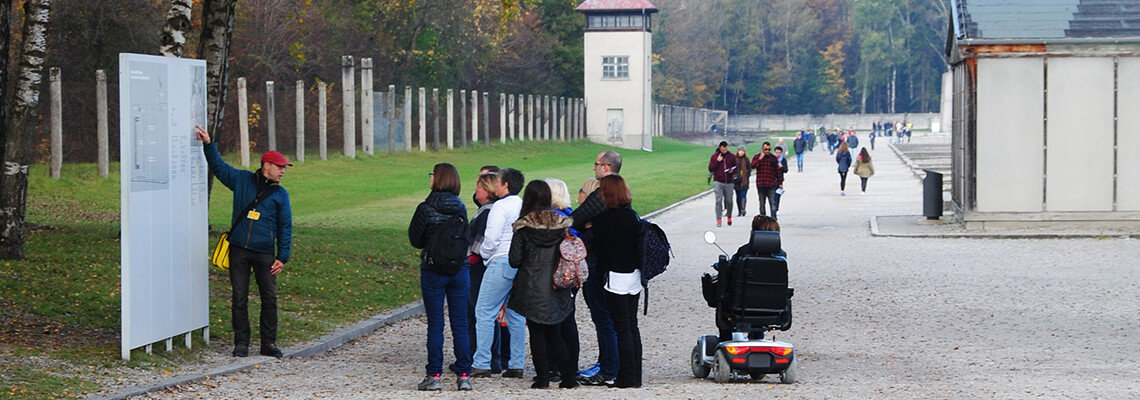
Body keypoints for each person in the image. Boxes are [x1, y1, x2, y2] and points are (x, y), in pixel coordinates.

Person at [195, 126, 292, 360]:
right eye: (280, 167)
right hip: (238, 250)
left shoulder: (281, 195)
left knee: (269, 298)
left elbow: (285, 227)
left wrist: (282, 256)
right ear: (266, 165)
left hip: (265, 253)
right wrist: (209, 144)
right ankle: (241, 343)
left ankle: (268, 343)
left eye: (283, 168)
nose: (283, 172)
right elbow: (218, 167)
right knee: (239, 297)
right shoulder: (241, 180)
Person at [408, 163, 473, 391]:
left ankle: (434, 375)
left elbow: (415, 239)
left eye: (432, 174)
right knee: (460, 324)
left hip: (433, 268)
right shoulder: (460, 207)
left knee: (435, 323)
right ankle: (464, 374)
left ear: (438, 179)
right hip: (459, 267)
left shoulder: (425, 208)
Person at [509, 180, 579, 389]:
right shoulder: (562, 224)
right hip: (557, 283)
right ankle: (569, 377)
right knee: (555, 333)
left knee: (537, 333)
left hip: (532, 285)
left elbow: (514, 259)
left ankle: (542, 378)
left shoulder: (523, 227)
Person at [571, 151, 622, 386]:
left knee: (602, 317)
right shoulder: (618, 192)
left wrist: (589, 222)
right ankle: (607, 363)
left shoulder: (602, 192)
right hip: (612, 263)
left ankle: (609, 367)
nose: (594, 168)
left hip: (597, 261)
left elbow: (576, 218)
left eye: (596, 164)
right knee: (607, 317)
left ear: (606, 167)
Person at [473, 168, 527, 379]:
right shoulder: (523, 204)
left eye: (498, 182)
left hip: (500, 260)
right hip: (519, 262)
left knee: (484, 311)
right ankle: (516, 363)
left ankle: (482, 362)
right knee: (516, 314)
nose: (495, 185)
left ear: (505, 185)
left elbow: (491, 238)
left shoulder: (500, 206)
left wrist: (486, 256)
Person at [590, 175, 643, 388]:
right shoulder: (632, 216)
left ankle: (625, 377)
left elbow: (600, 251)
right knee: (632, 325)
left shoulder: (604, 219)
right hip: (634, 274)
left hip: (616, 275)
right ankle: (635, 375)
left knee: (621, 327)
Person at [460, 170, 510, 376]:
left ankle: (488, 358)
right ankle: (484, 356)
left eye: (479, 187)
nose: (475, 190)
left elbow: (478, 244)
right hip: (478, 265)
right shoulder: (485, 210)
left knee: (482, 313)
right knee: (478, 313)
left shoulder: (488, 212)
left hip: (479, 266)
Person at [718, 215, 785, 342]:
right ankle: (757, 338)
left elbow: (730, 272)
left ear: (753, 233)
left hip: (741, 303)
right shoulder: (781, 255)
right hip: (772, 305)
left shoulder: (744, 252)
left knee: (723, 300)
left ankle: (725, 339)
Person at [544, 177, 581, 381]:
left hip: (555, 273)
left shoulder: (552, 218)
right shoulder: (570, 216)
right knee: (568, 320)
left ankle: (555, 365)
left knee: (554, 321)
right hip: (570, 274)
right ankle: (570, 365)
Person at [750, 142, 784, 220]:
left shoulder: (773, 158)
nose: (767, 151)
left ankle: (773, 218)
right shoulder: (757, 157)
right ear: (762, 149)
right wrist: (760, 159)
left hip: (770, 184)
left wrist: (780, 183)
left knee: (772, 202)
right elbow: (752, 166)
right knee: (762, 203)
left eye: (769, 149)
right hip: (761, 184)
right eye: (766, 149)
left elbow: (777, 171)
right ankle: (763, 219)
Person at [708, 141, 738, 227]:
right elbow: (711, 168)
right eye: (723, 147)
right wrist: (717, 161)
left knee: (729, 201)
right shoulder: (714, 157)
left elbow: (736, 167)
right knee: (718, 200)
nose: (724, 149)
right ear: (720, 147)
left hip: (729, 182)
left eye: (726, 147)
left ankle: (729, 216)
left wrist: (732, 171)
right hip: (718, 181)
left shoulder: (731, 156)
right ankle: (718, 219)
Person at [733, 145, 750, 217]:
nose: (741, 152)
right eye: (740, 151)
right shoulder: (734, 159)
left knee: (743, 195)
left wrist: (746, 176)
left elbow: (749, 169)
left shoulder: (746, 160)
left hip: (744, 181)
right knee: (738, 196)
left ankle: (743, 209)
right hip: (737, 181)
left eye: (742, 151)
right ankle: (739, 210)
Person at [772, 146, 789, 216]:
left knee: (777, 195)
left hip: (779, 180)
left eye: (779, 153)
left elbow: (786, 170)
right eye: (776, 153)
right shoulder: (772, 159)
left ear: (781, 153)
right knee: (772, 195)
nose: (777, 154)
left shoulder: (783, 160)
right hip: (772, 179)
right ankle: (773, 208)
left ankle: (776, 208)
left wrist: (781, 167)